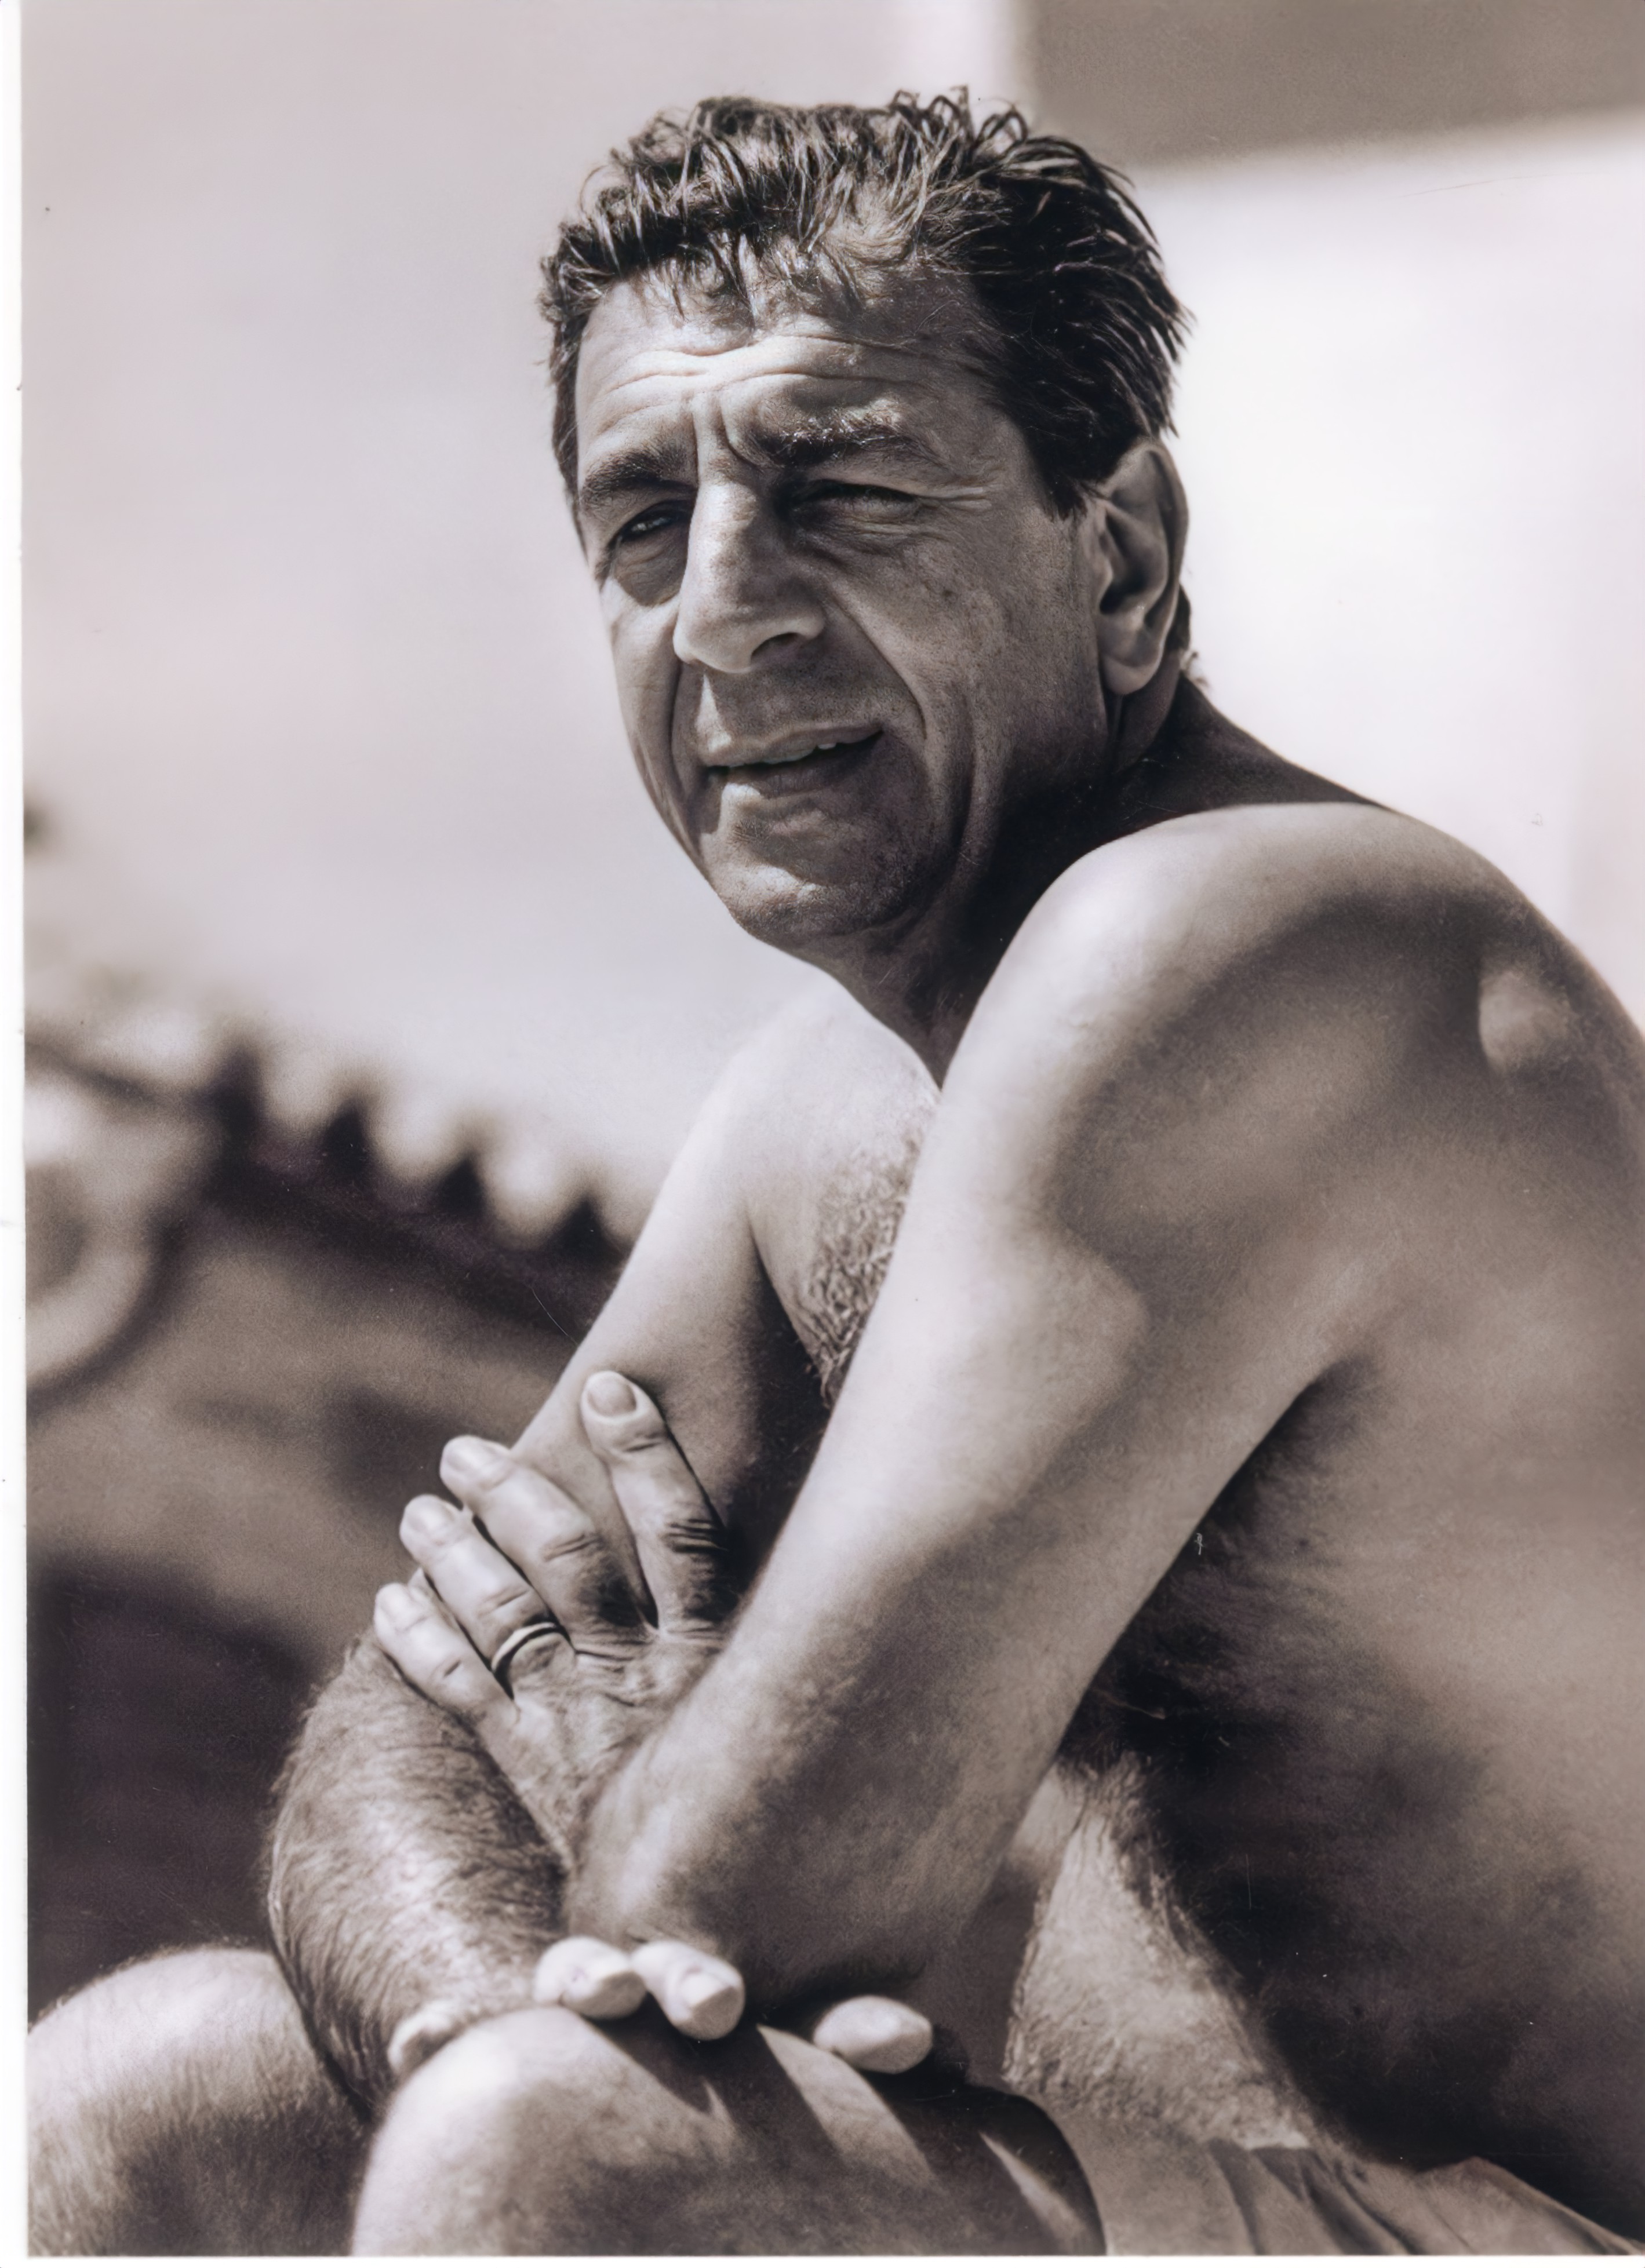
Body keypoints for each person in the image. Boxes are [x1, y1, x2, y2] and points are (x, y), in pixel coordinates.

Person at [28, 93, 1644, 2255]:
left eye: (840, 490)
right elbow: (396, 1736)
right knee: (147, 2093)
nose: (719, 614)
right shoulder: (838, 1095)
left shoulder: (1242, 945)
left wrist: (629, 1914)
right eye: (641, 519)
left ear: (1123, 561)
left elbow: (746, 1901)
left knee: (562, 2145)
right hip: (1168, 2200)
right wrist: (531, 2006)